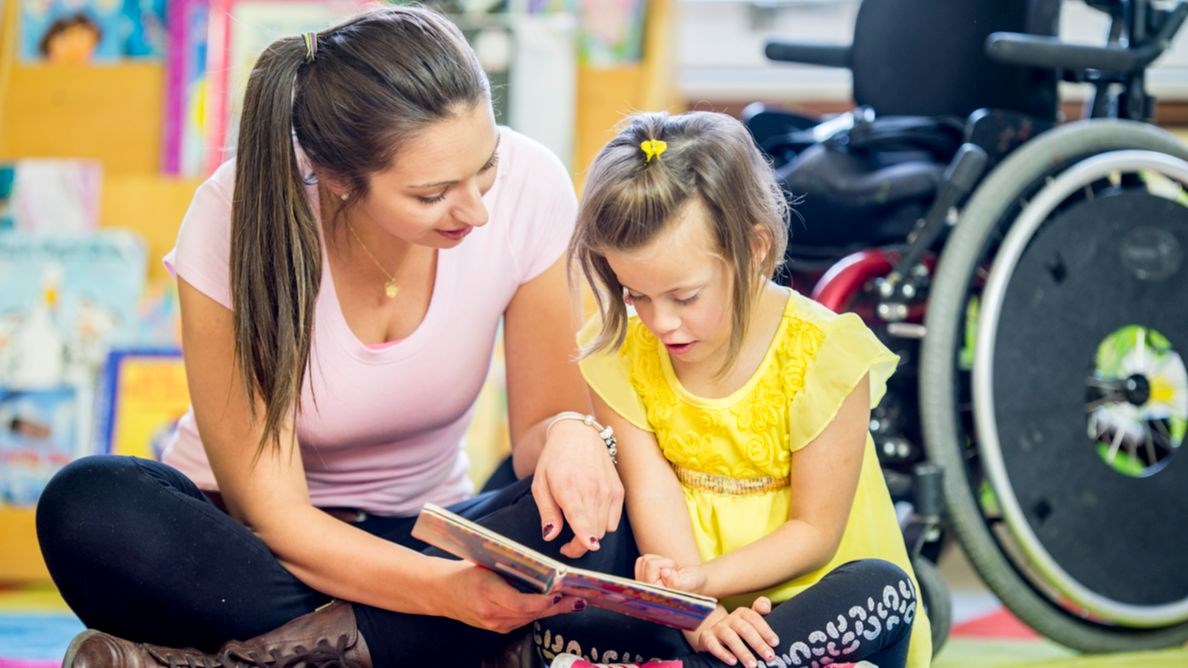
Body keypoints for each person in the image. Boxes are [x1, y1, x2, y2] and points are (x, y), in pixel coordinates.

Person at [35, 6, 624, 666]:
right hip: (252, 548)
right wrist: (444, 596)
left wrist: (575, 433)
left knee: (601, 509)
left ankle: (255, 657)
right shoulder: (236, 211)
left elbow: (541, 432)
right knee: (88, 510)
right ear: (338, 178)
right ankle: (403, 646)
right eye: (433, 194)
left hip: (426, 531)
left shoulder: (533, 184)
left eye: (484, 166)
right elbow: (277, 517)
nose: (477, 208)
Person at [539, 111, 932, 668]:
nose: (661, 323)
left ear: (755, 249)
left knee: (883, 590)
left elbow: (815, 531)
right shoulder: (622, 353)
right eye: (636, 296)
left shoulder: (824, 353)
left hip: (806, 609)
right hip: (694, 611)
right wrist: (695, 609)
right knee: (558, 615)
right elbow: (653, 494)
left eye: (685, 296)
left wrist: (705, 582)